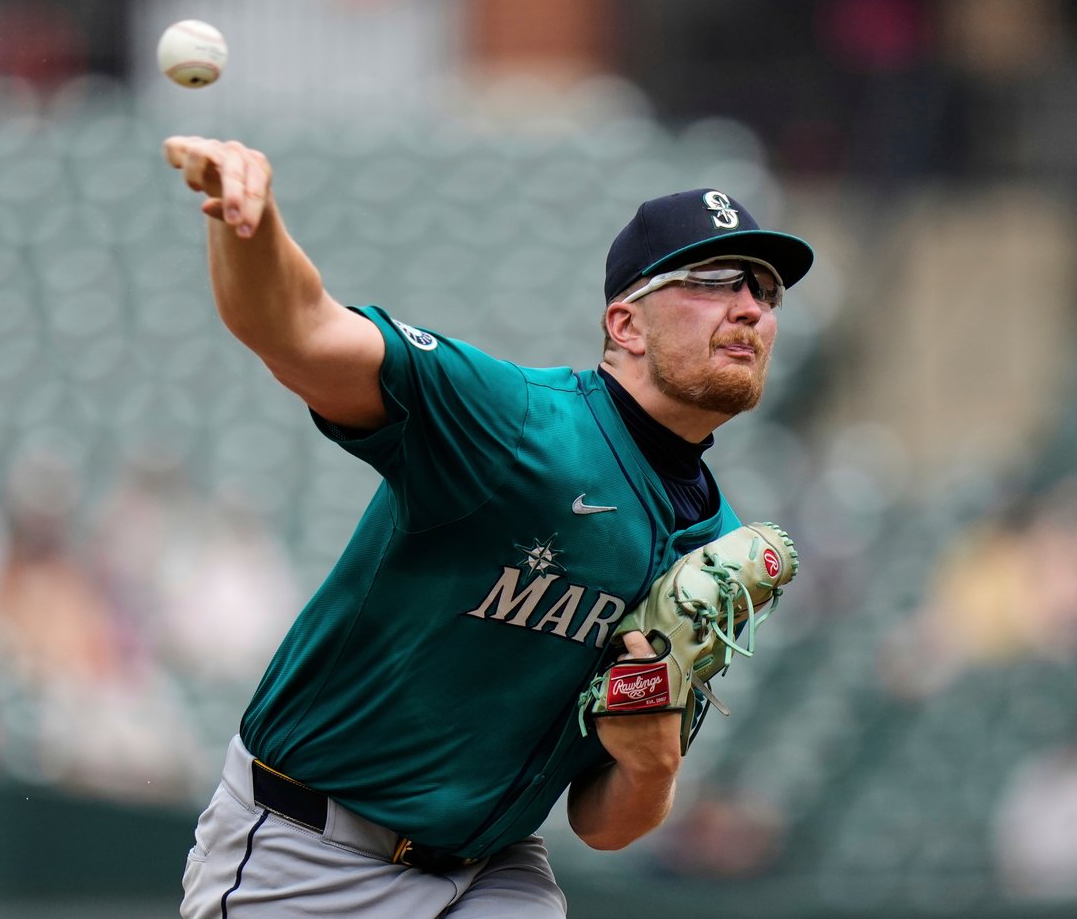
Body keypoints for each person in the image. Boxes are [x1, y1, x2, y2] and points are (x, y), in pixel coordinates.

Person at [162, 135, 814, 918]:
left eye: (767, 292)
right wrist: (251, 225)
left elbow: (602, 824)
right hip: (313, 849)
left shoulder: (720, 551)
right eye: (714, 281)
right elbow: (298, 330)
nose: (751, 307)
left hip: (493, 872)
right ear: (626, 324)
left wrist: (651, 768)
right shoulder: (512, 422)